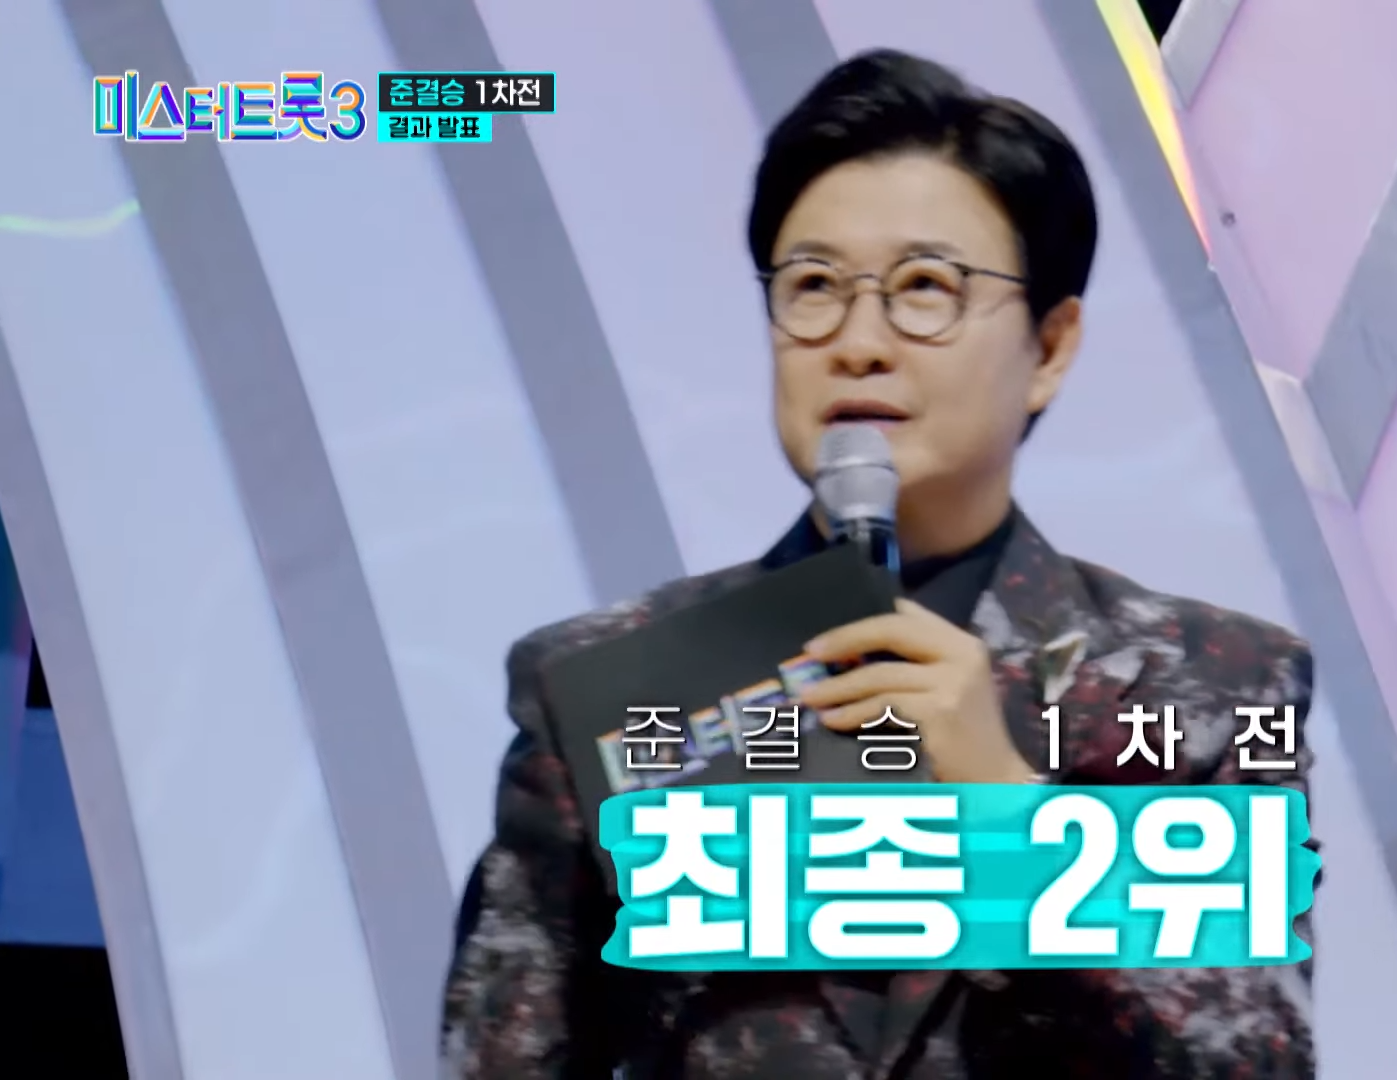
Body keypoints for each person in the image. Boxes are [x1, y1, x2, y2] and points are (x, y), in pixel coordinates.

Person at [441, 48, 1319, 1079]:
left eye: (924, 287)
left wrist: (1012, 813)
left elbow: (1259, 1060)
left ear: (1049, 346)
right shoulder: (604, 687)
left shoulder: (1212, 687)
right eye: (814, 286)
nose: (859, 341)